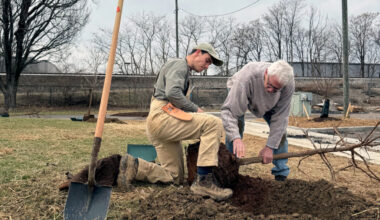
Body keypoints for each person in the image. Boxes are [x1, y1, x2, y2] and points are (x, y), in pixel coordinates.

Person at [119, 43, 232, 201]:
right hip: (162, 117)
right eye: (207, 61)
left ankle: (134, 166)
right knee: (213, 123)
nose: (206, 66)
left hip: (159, 121)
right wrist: (195, 109)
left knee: (175, 177)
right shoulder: (180, 65)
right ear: (198, 52)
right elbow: (172, 93)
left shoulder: (180, 68)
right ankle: (204, 182)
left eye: (209, 64)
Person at [221, 60, 294, 181]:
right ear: (266, 73)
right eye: (269, 85)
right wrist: (236, 138)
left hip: (271, 104)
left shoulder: (288, 84)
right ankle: (229, 169)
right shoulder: (247, 77)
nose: (271, 90)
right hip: (242, 90)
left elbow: (281, 118)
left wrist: (270, 147)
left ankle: (281, 174)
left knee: (281, 133)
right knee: (236, 126)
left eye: (276, 89)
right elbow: (230, 113)